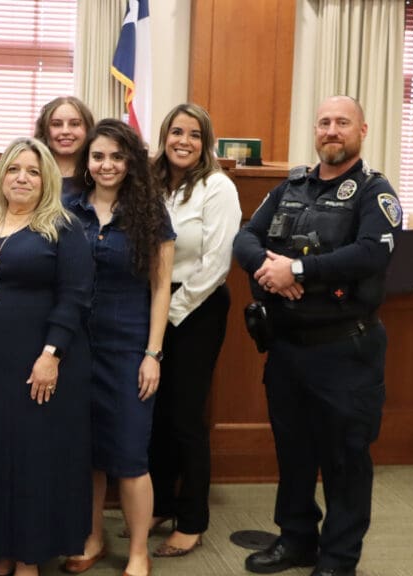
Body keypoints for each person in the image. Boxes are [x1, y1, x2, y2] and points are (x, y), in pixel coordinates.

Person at [233, 96, 400, 576]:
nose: (332, 130)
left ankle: (338, 559)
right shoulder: (291, 185)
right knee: (294, 453)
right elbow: (246, 236)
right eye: (324, 122)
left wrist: (300, 268)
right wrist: (270, 268)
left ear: (362, 130)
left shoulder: (374, 191)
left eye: (342, 123)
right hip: (287, 348)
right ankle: (297, 539)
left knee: (345, 458)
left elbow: (372, 253)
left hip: (346, 349)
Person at [0, 137, 94, 576]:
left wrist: (51, 355)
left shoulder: (63, 226)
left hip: (36, 362)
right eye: (13, 169)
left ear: (45, 179)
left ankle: (29, 556)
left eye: (32, 171)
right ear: (1, 175)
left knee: (30, 458)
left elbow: (75, 297)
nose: (22, 178)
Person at [62, 119, 175, 576]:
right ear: (86, 162)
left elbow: (162, 287)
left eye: (116, 156)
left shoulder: (150, 212)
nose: (106, 165)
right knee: (85, 453)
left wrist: (153, 354)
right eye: (98, 156)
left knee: (129, 455)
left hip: (129, 347)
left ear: (130, 161)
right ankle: (92, 537)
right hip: (75, 347)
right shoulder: (68, 207)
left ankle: (138, 551)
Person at [148, 103, 241, 558]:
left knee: (185, 416)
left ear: (205, 143)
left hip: (195, 308)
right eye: (176, 132)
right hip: (153, 305)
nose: (183, 141)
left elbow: (217, 265)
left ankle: (193, 519)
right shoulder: (151, 184)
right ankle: (161, 502)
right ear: (164, 136)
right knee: (156, 412)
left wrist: (169, 312)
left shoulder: (217, 186)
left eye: (194, 135)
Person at [34, 96, 95, 197]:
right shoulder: (30, 173)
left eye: (75, 124)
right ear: (44, 130)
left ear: (88, 129)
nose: (65, 131)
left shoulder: (98, 173)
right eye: (56, 124)